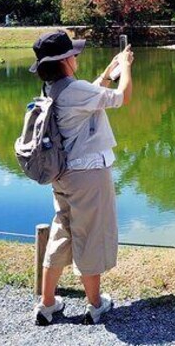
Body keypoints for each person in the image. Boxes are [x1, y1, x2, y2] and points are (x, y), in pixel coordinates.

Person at [28, 30, 133, 326]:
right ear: (65, 60)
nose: (76, 56)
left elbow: (90, 96)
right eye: (72, 54)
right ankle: (95, 304)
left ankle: (47, 303)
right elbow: (122, 97)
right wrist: (125, 68)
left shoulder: (53, 88)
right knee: (90, 235)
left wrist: (107, 74)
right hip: (88, 174)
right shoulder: (75, 90)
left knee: (62, 230)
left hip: (63, 174)